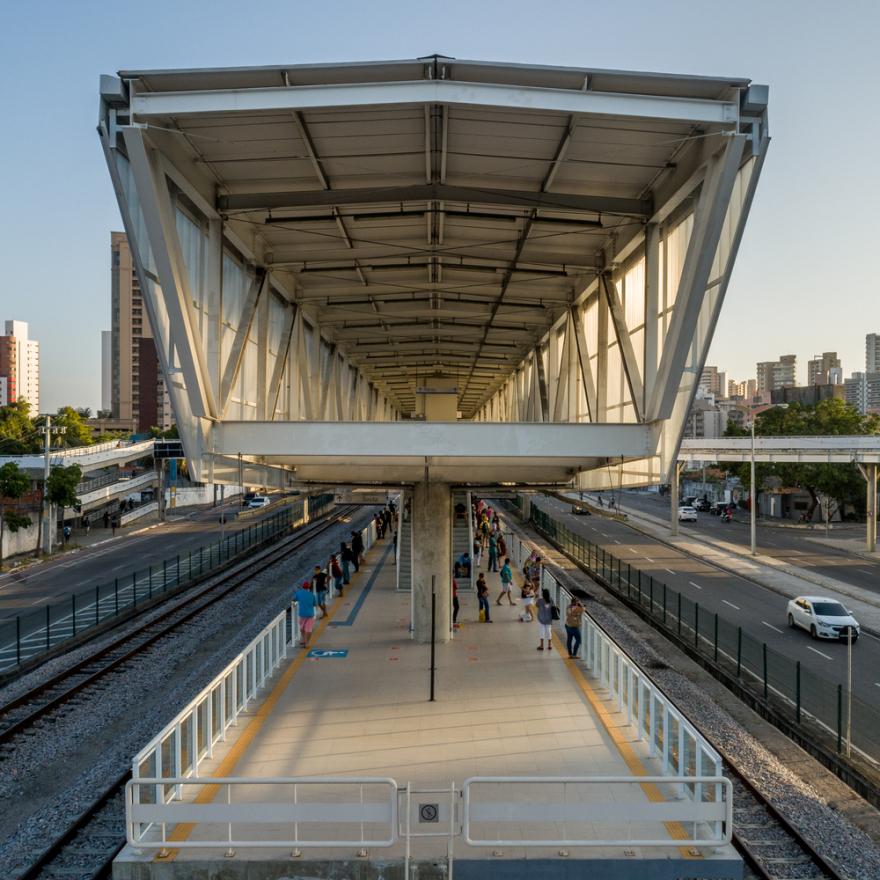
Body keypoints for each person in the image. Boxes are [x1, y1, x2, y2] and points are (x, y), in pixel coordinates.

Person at [292, 581, 316, 649]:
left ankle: (303, 639)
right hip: (310, 614)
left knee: (302, 627)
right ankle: (307, 643)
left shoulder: (299, 592)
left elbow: (293, 599)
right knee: (309, 629)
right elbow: (316, 604)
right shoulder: (312, 595)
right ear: (309, 588)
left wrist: (299, 600)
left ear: (303, 587)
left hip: (302, 614)